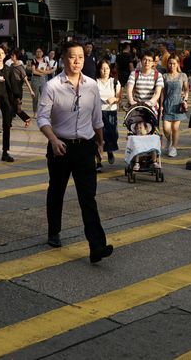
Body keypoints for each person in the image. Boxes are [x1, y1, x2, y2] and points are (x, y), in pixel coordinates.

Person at [37, 41, 113, 264]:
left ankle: (96, 247)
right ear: (63, 59)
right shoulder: (52, 86)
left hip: (86, 147)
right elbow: (42, 117)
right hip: (60, 147)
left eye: (80, 56)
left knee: (88, 197)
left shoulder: (91, 85)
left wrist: (100, 143)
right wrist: (52, 139)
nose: (77, 61)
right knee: (57, 191)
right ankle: (54, 231)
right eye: (72, 57)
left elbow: (97, 119)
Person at [0, 46, 30, 163]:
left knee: (6, 126)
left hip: (5, 101)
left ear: (4, 55)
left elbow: (14, 88)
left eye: (2, 53)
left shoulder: (8, 70)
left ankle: (5, 152)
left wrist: (23, 115)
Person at [160, 56, 188, 157]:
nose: (172, 65)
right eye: (170, 63)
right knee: (166, 129)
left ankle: (174, 148)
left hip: (178, 105)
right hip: (167, 104)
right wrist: (161, 105)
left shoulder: (183, 75)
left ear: (178, 64)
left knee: (175, 128)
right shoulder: (164, 76)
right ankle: (169, 140)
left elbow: (186, 89)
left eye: (174, 63)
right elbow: (162, 92)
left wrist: (185, 99)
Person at [96, 60, 121, 170]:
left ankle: (110, 150)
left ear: (110, 70)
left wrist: (114, 99)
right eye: (102, 68)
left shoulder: (115, 82)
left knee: (112, 134)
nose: (105, 70)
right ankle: (98, 162)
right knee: (97, 137)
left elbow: (119, 98)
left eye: (107, 68)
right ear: (99, 69)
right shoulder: (95, 82)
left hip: (111, 112)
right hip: (98, 112)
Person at [8, 49, 34, 123]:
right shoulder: (11, 65)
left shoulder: (20, 67)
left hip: (18, 89)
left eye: (13, 55)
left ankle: (26, 119)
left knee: (15, 108)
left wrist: (31, 91)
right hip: (11, 88)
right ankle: (9, 123)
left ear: (16, 57)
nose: (11, 57)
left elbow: (26, 80)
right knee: (10, 107)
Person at [29, 48, 51, 116]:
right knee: (35, 97)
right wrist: (42, 72)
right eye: (37, 51)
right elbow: (33, 71)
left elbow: (47, 70)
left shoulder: (45, 60)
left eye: (40, 51)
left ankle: (43, 112)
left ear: (42, 53)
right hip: (35, 79)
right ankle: (35, 112)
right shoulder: (34, 61)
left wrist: (45, 70)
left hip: (43, 80)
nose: (38, 53)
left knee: (43, 96)